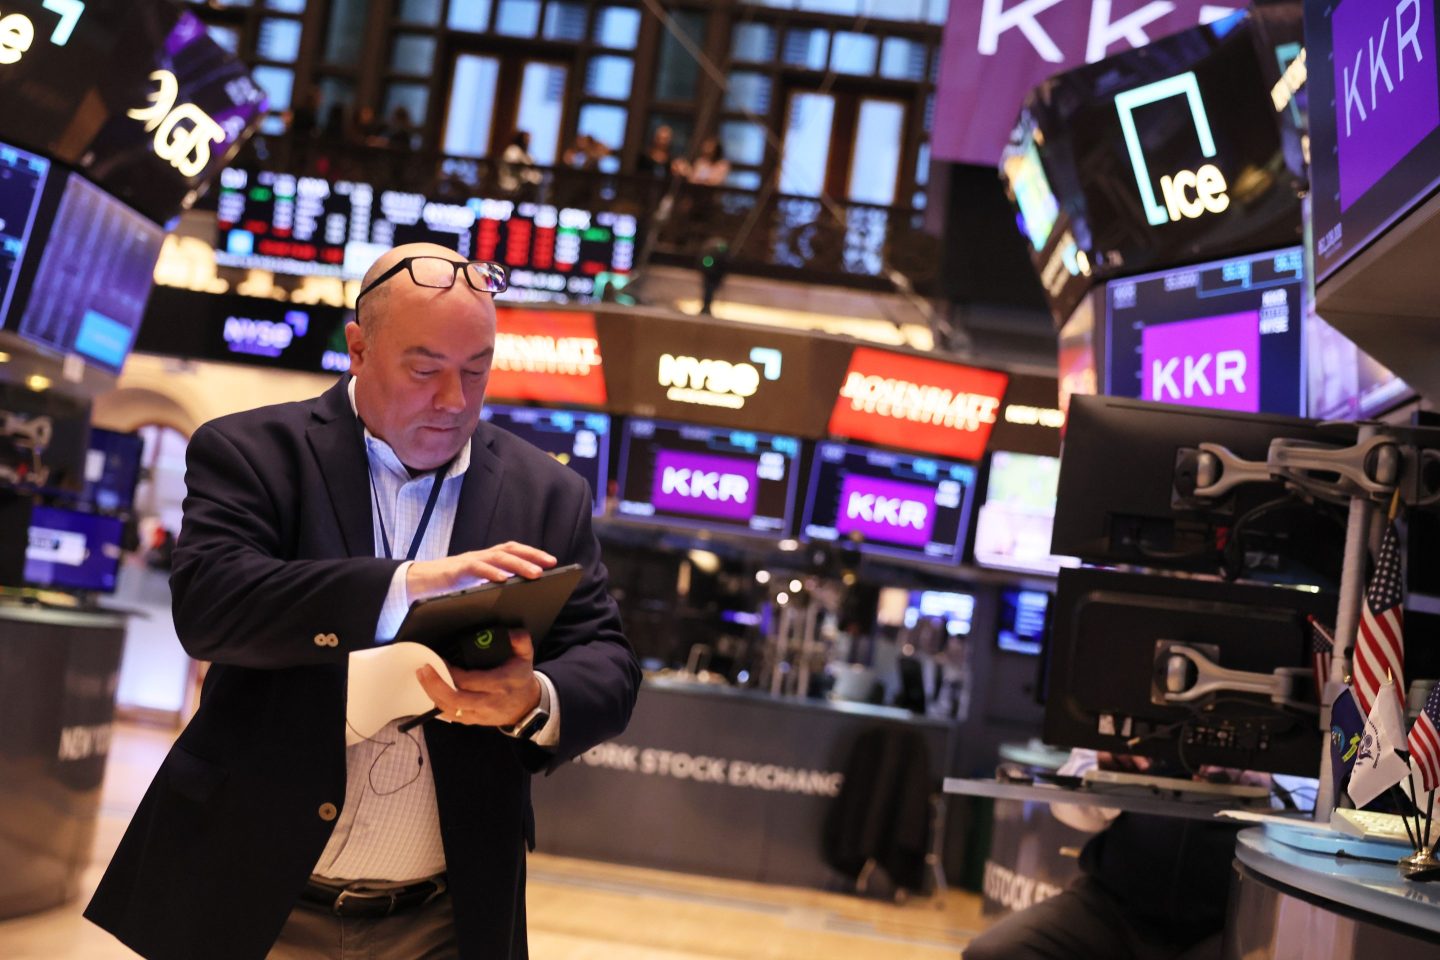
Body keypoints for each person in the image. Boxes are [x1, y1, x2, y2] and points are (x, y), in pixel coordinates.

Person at [84, 242, 641, 960]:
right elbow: (212, 605)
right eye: (425, 369)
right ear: (357, 347)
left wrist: (533, 696)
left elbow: (609, 662)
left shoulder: (546, 494)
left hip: (443, 918)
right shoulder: (254, 451)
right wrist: (404, 583)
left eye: (477, 370)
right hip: (258, 899)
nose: (454, 399)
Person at [962, 751, 1255, 960]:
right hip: (1113, 904)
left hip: (1227, 924)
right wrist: (1107, 777)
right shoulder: (1138, 686)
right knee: (993, 953)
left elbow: (1301, 800)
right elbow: (1072, 810)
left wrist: (1256, 779)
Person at [496, 130, 543, 196]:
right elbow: (514, 167)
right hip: (510, 183)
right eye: (526, 139)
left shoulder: (527, 153)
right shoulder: (512, 150)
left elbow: (532, 163)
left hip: (523, 185)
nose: (528, 142)